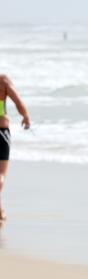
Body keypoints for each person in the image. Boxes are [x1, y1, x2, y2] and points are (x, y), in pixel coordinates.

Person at [0, 74, 30, 220]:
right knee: (1, 174)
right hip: (1, 131)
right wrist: (25, 116)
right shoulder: (3, 81)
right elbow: (18, 102)